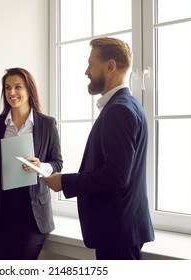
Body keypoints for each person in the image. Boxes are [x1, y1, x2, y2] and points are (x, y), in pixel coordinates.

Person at [44, 37, 154, 260]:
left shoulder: (119, 110)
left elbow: (116, 175)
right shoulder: (128, 105)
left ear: (110, 66)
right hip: (120, 230)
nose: (87, 71)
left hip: (117, 233)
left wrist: (64, 182)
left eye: (91, 64)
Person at [0, 67, 63, 260]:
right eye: (7, 88)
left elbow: (57, 163)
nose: (11, 93)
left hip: (33, 213)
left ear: (29, 90)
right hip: (3, 210)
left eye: (17, 87)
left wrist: (40, 166)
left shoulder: (47, 124)